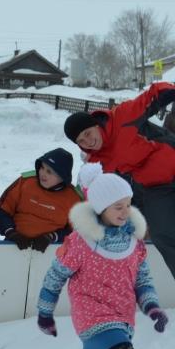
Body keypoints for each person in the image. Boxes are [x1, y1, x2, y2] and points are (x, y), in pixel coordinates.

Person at [36, 164, 167, 349]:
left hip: (121, 316)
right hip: (92, 314)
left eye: (128, 205)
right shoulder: (82, 242)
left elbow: (142, 280)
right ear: (100, 208)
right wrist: (45, 312)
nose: (125, 212)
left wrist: (153, 308)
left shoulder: (133, 242)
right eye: (118, 207)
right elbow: (55, 276)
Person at [63, 82, 175, 279]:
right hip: (155, 187)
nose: (88, 142)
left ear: (96, 125)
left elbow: (151, 96)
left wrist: (168, 91)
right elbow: (98, 196)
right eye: (81, 141)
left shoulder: (123, 117)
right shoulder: (97, 162)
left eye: (88, 134)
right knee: (162, 234)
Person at [0, 148, 82, 252]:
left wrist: (52, 237)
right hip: (14, 246)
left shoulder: (73, 198)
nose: (43, 173)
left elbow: (78, 232)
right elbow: (2, 211)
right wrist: (11, 233)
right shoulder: (25, 182)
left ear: (62, 177)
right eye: (42, 167)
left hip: (52, 252)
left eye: (49, 172)